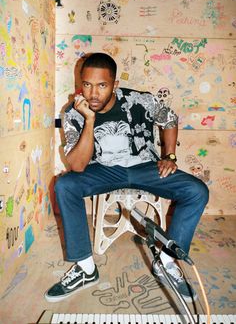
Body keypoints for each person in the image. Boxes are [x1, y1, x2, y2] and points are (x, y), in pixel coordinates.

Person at [45, 52, 209, 303]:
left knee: (196, 191)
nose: (93, 94)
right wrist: (89, 120)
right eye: (87, 85)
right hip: (103, 170)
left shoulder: (139, 100)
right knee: (65, 185)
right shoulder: (74, 112)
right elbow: (77, 166)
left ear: (115, 85)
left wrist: (171, 156)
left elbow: (170, 119)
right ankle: (86, 268)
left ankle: (165, 262)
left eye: (102, 85)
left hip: (146, 167)